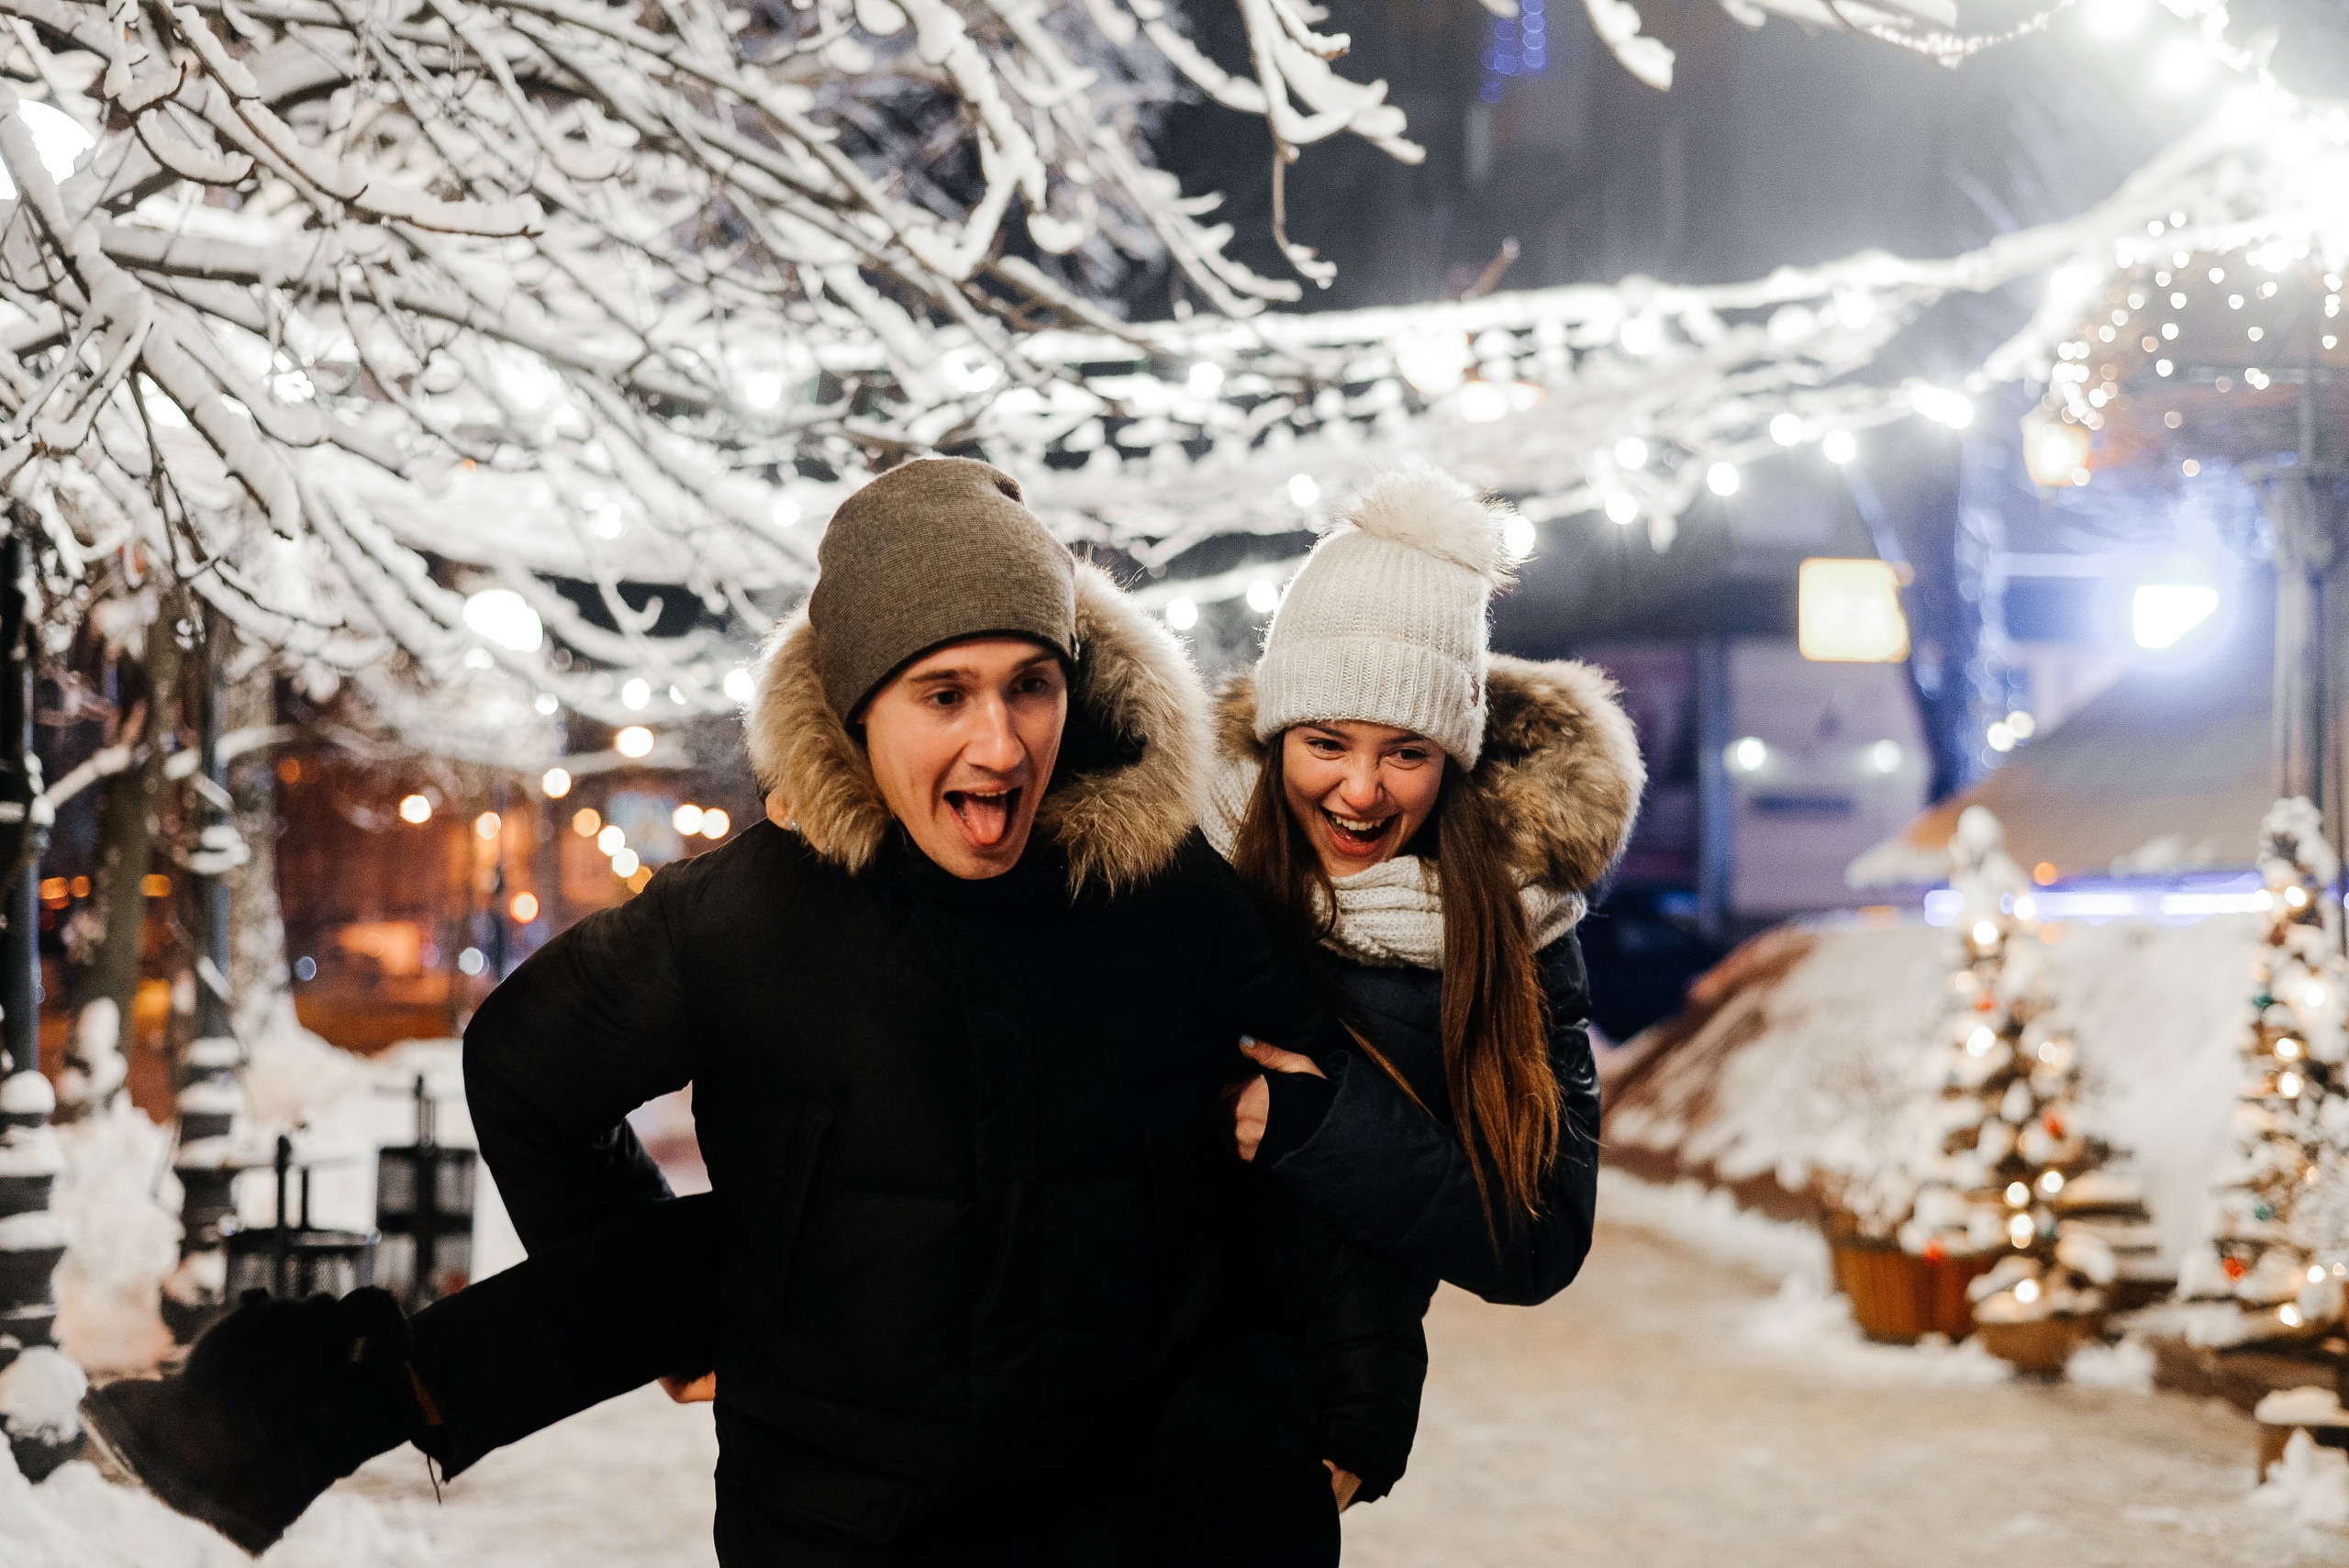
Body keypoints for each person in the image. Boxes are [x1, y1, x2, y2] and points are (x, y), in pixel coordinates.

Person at [83, 458, 1429, 1565]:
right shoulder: (750, 912)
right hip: (841, 1529)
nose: (1002, 742)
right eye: (943, 694)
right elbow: (524, 1063)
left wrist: (1358, 1409)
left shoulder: (1162, 889)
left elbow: (1321, 1137)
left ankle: (279, 1411)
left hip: (1126, 1525)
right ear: (856, 711)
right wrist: (665, 1303)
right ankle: (274, 1415)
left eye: (1031, 682)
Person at [1208, 462, 1642, 1305]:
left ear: (1453, 755)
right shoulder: (1186, 858)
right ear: (1276, 734)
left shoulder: (1517, 915)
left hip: (1333, 1411)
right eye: (1327, 744)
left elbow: (1541, 1235)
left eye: (1407, 752)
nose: (1363, 790)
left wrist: (1324, 1130)